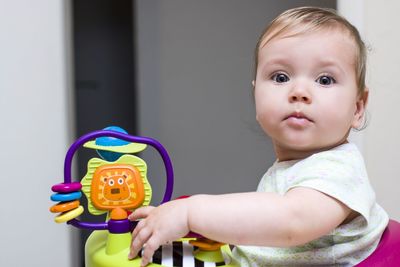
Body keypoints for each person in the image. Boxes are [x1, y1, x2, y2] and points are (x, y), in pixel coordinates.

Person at [128, 6, 389, 266]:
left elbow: (292, 221)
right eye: (281, 76)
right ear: (255, 95)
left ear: (357, 107)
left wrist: (190, 213)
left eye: (324, 80)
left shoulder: (339, 170)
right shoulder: (296, 166)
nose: (299, 91)